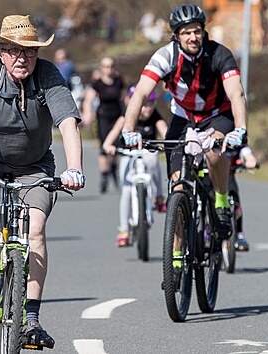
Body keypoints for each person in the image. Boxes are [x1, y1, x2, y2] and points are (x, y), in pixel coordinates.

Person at [0, 14, 85, 349]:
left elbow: (68, 123)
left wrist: (75, 168)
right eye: (15, 51)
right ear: (2, 51)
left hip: (35, 165)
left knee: (35, 230)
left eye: (30, 52)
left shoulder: (48, 75)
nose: (23, 58)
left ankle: (31, 318)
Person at [123, 4, 248, 246]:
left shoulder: (220, 54)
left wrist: (239, 129)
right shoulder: (165, 56)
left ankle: (221, 200)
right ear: (176, 36)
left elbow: (236, 94)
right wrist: (129, 129)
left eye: (197, 31)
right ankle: (177, 258)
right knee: (178, 187)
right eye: (186, 32)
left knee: (214, 152)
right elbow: (139, 94)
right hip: (183, 116)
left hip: (216, 114)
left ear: (204, 32)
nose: (193, 37)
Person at [102, 89, 168, 247]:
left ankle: (159, 196)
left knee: (153, 162)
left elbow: (165, 132)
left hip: (147, 152)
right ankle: (124, 229)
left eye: (151, 104)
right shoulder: (127, 116)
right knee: (126, 189)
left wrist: (168, 142)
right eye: (144, 105)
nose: (147, 109)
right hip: (128, 154)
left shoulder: (155, 117)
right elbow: (112, 134)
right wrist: (108, 145)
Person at [82, 56, 127, 193]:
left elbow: (126, 98)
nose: (109, 69)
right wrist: (87, 113)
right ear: (101, 68)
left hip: (118, 118)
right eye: (106, 66)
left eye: (111, 66)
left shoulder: (119, 81)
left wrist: (131, 115)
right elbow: (88, 99)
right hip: (103, 117)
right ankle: (104, 176)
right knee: (103, 148)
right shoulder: (98, 83)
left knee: (116, 147)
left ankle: (114, 170)